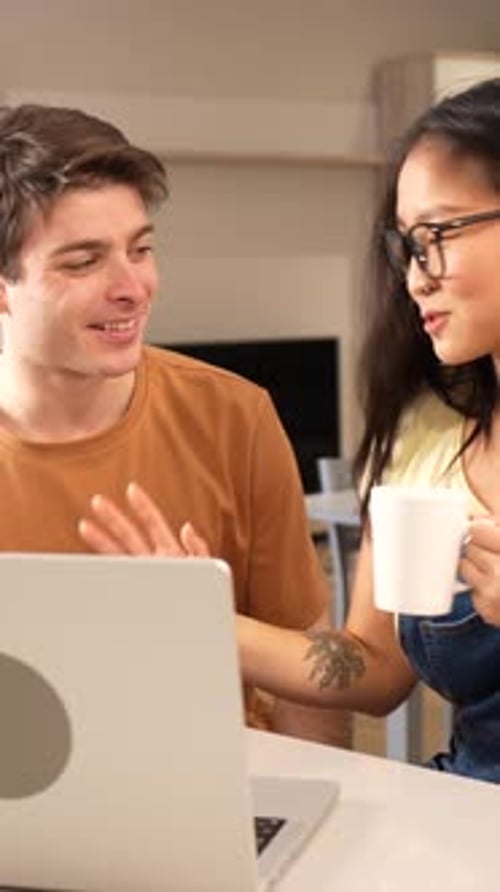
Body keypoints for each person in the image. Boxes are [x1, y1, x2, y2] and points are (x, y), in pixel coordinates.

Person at [89, 77, 500, 784]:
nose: (414, 280)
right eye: (406, 247)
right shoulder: (427, 431)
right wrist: (205, 618)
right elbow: (371, 669)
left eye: (436, 236)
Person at [0, 102, 351, 747]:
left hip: (222, 795)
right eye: (84, 262)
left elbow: (318, 675)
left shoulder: (235, 417)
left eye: (141, 249)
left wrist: (313, 821)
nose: (134, 287)